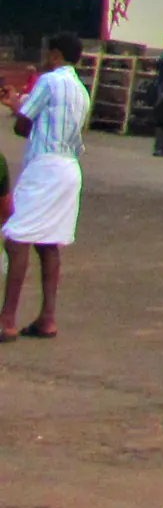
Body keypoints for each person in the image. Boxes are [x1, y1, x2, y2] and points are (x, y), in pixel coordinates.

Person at [0, 32, 91, 341]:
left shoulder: (48, 82)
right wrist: (18, 104)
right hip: (69, 168)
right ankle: (47, 318)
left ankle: (7, 320)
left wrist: (16, 106)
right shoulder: (81, 90)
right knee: (49, 243)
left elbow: (23, 125)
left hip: (45, 167)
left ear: (55, 55)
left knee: (16, 237)